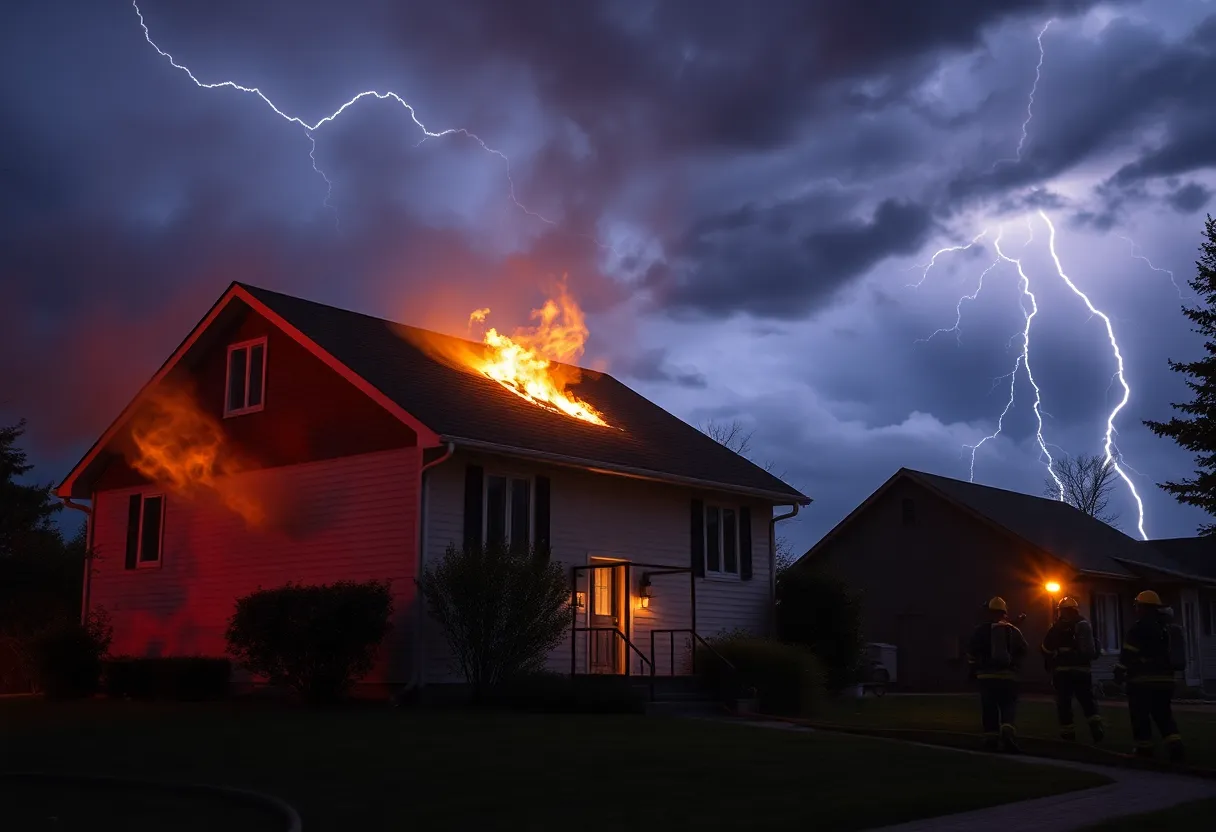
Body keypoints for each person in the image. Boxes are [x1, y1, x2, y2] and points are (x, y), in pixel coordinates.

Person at [1113, 590, 1185, 761]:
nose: (1136, 609)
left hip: (1142, 682)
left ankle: (1144, 751)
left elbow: (1128, 655)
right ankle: (1176, 748)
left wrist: (1119, 672)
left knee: (1140, 717)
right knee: (1164, 716)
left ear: (1143, 607)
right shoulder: (1165, 628)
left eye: (1137, 606)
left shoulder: (1138, 628)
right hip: (1166, 681)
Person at [967, 596, 1028, 753]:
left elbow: (971, 653)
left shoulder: (980, 631)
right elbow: (1023, 650)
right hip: (1009, 678)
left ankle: (990, 740)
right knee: (1008, 705)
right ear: (1004, 612)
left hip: (986, 677)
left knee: (989, 708)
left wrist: (973, 670)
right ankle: (1007, 731)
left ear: (988, 612)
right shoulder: (1014, 630)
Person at [1041, 596, 1105, 742]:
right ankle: (1096, 727)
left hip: (1063, 673)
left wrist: (1049, 663)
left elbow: (1046, 649)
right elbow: (1094, 649)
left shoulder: (1056, 628)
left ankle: (1068, 734)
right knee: (1087, 700)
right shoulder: (1084, 625)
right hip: (1083, 671)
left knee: (1064, 703)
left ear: (1062, 611)